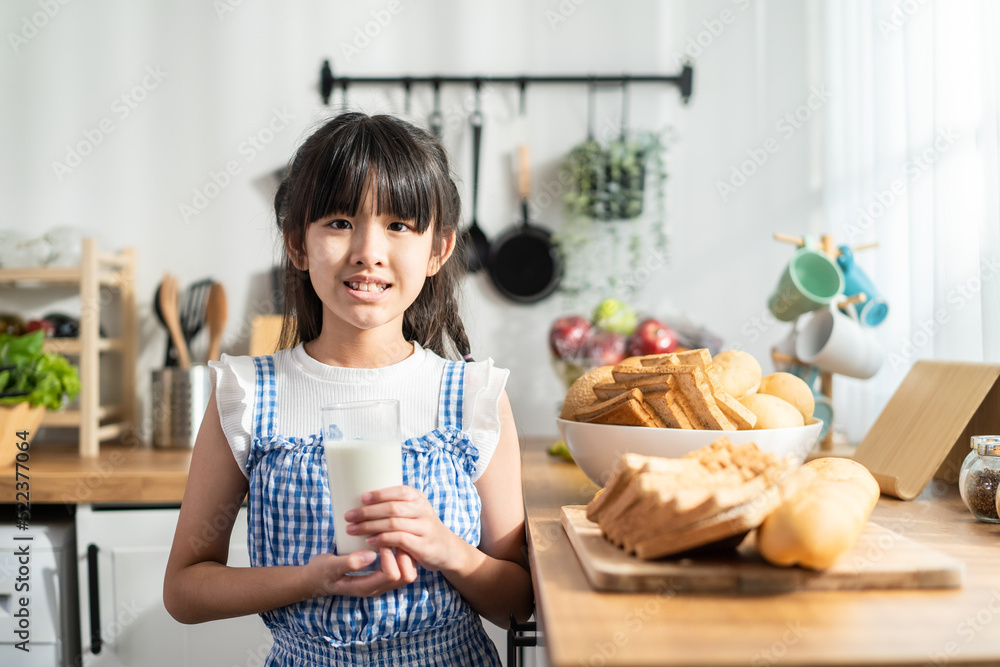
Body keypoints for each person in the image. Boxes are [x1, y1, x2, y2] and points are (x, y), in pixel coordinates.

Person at [163, 112, 533, 666]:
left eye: (399, 225)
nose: (368, 250)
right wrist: (306, 580)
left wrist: (449, 550)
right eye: (338, 222)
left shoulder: (473, 397)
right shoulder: (246, 393)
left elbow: (517, 604)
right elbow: (186, 591)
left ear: (439, 250)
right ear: (297, 244)